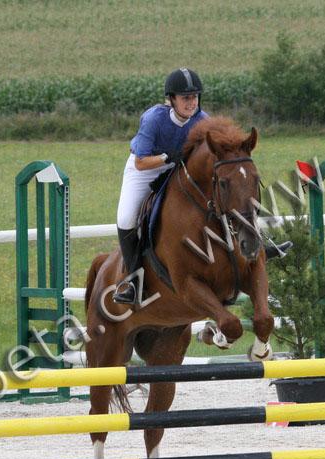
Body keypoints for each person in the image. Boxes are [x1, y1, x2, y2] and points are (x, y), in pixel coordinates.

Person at [113, 68, 290, 305]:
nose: (191, 102)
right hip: (145, 169)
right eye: (185, 97)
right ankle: (133, 280)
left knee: (227, 195)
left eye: (195, 97)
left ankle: (256, 246)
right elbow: (140, 161)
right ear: (172, 99)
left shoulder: (202, 119)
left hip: (178, 168)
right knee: (126, 217)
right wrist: (167, 158)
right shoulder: (154, 119)